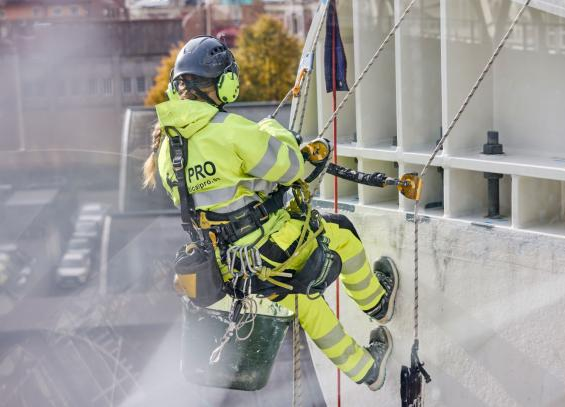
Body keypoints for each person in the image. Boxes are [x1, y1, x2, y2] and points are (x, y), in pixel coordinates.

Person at [143, 36, 400, 391]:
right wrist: (273, 130)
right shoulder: (230, 130)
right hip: (270, 249)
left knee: (305, 305)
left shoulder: (165, 150)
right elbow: (291, 167)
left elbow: (220, 193)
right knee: (341, 233)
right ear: (224, 83)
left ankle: (368, 371)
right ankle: (377, 303)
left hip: (227, 265)